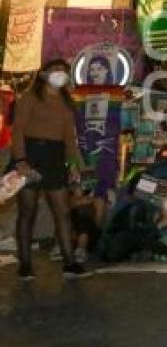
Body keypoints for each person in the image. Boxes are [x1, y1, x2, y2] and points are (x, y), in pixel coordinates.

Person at [9, 59, 90, 279]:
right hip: (31, 154)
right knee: (27, 212)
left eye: (64, 71)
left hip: (55, 156)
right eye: (56, 70)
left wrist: (74, 166)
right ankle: (25, 264)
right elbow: (18, 131)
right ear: (44, 74)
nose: (60, 74)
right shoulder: (29, 97)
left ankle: (69, 262)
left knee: (63, 212)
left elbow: (69, 139)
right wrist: (20, 160)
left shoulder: (66, 102)